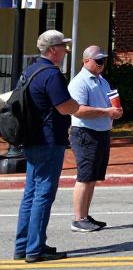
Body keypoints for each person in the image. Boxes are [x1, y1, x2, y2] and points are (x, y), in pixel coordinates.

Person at [14, 30, 80, 263]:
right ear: (53, 49)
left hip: (31, 138)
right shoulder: (51, 74)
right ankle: (35, 249)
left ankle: (23, 246)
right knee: (43, 194)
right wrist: (77, 106)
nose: (65, 50)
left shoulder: (30, 70)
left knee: (30, 194)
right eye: (62, 46)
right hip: (49, 140)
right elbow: (65, 106)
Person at [67, 45, 123, 232]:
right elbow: (78, 110)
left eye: (103, 60)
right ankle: (78, 218)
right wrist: (106, 111)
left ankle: (84, 214)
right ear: (86, 61)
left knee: (93, 177)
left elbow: (109, 103)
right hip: (85, 133)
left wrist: (115, 112)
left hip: (101, 132)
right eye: (98, 60)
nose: (101, 64)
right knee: (85, 176)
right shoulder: (79, 82)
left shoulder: (102, 81)